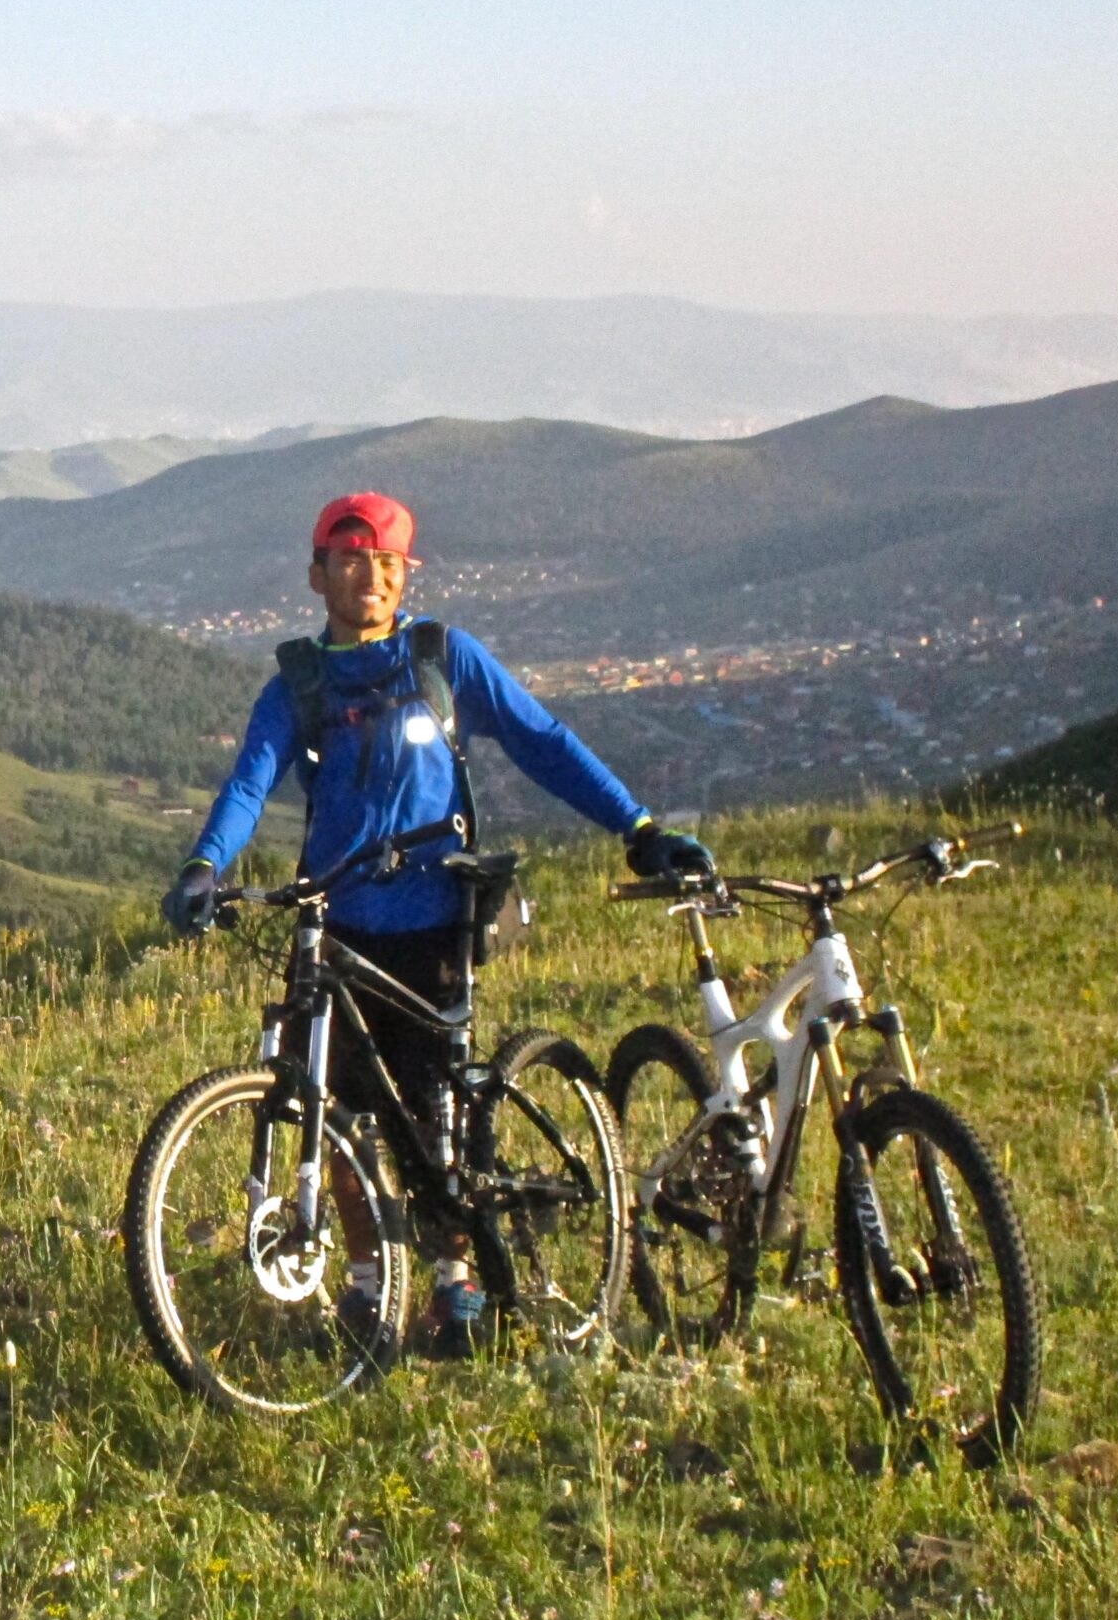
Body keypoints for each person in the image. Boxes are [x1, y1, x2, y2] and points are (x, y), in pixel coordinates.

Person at [162, 491, 712, 1357]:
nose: (369, 577)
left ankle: (453, 1288)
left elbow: (545, 741)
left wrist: (638, 829)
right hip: (335, 923)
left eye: (387, 563)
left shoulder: (444, 658)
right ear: (317, 574)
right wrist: (205, 866)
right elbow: (248, 782)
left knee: (433, 1109)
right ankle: (368, 1283)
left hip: (433, 921)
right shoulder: (299, 684)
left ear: (404, 573)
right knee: (330, 1111)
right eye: (350, 560)